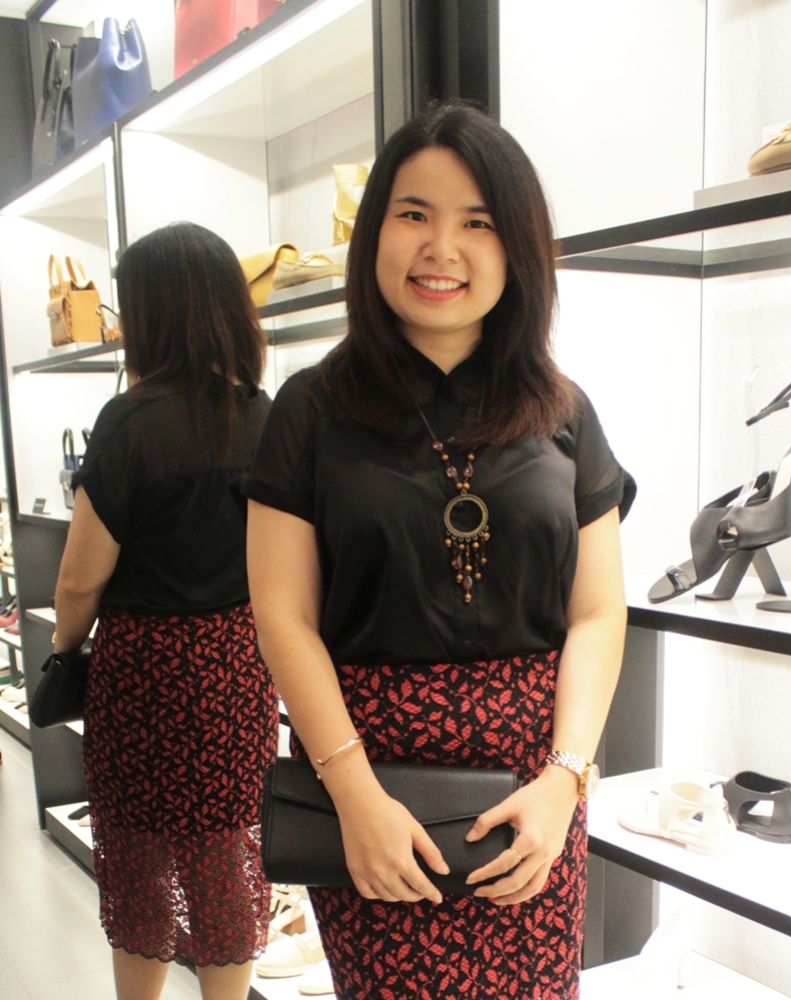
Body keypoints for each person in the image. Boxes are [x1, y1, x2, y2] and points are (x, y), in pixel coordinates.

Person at [244, 103, 636, 1000]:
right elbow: (283, 616)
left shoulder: (565, 412)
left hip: (531, 805)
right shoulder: (309, 410)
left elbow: (597, 611)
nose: (442, 248)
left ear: (518, 246)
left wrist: (564, 782)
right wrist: (354, 796)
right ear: (374, 232)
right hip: (372, 798)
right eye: (414, 214)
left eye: (478, 223)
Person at [53, 222, 279, 1000]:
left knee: (140, 856)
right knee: (228, 854)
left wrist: (66, 648)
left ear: (152, 312)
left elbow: (79, 579)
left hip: (143, 671)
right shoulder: (262, 415)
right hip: (237, 666)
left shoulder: (129, 421)